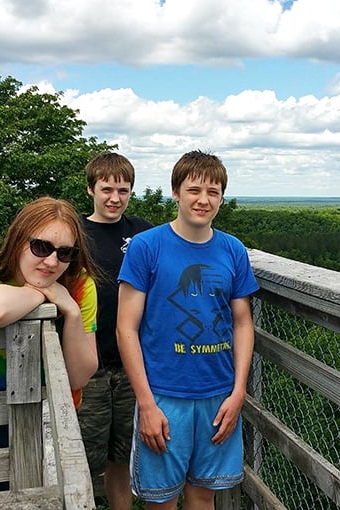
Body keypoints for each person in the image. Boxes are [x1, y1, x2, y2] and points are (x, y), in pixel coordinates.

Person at [116, 150, 259, 509]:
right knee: (160, 501)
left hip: (219, 394)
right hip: (163, 394)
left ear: (222, 199)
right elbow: (125, 329)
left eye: (213, 192)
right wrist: (146, 404)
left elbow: (242, 322)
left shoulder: (233, 250)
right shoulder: (146, 247)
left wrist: (239, 391)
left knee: (203, 496)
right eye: (194, 190)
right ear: (176, 193)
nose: (203, 200)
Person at [0, 196, 99, 507]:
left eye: (65, 253)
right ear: (18, 241)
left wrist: (70, 311)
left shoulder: (80, 285)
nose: (52, 262)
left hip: (56, 417)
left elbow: (81, 374)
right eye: (41, 247)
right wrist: (42, 293)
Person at [77, 151, 152, 509]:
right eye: (107, 189)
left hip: (131, 365)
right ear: (90, 188)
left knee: (121, 457)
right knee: (82, 458)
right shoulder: (75, 233)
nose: (115, 198)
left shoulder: (141, 233)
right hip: (87, 365)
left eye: (123, 190)